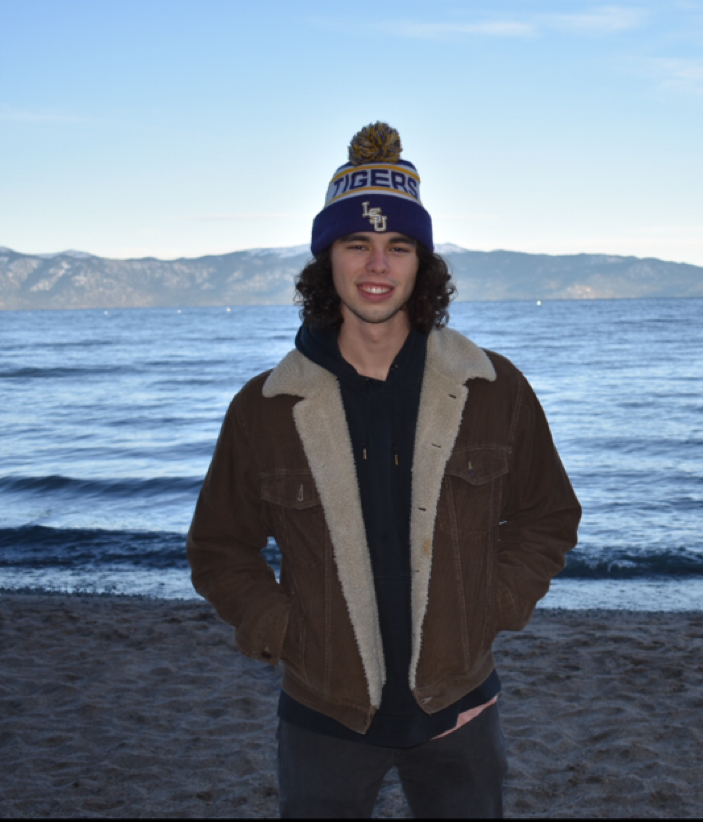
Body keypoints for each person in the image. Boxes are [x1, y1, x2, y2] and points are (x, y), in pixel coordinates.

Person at [186, 121, 581, 818]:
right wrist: (282, 630)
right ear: (326, 258)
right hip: (323, 719)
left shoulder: (492, 388)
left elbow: (548, 515)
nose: (377, 265)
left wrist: (496, 604)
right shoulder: (266, 408)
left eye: (398, 246)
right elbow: (219, 548)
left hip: (461, 712)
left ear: (421, 262)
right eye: (357, 244)